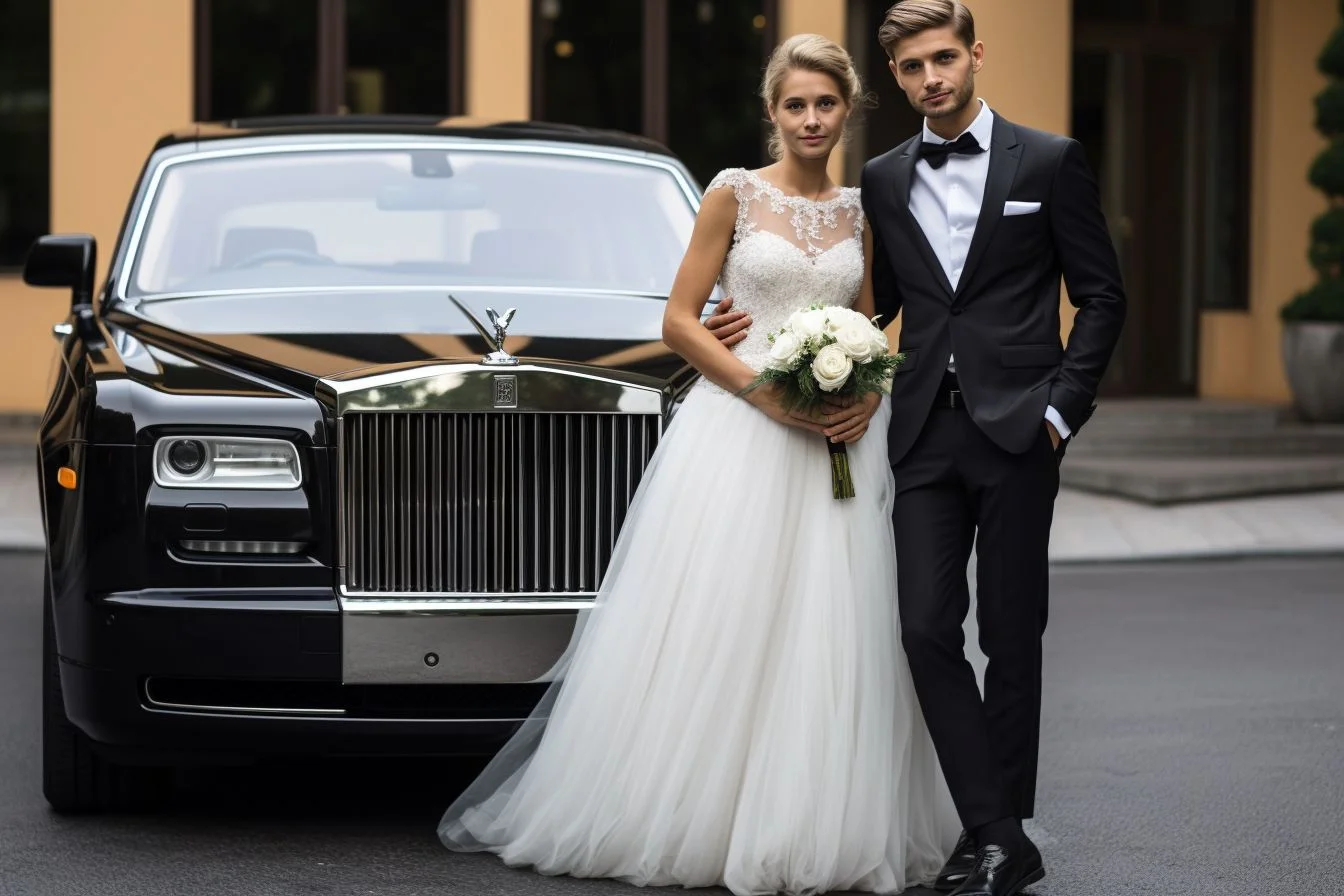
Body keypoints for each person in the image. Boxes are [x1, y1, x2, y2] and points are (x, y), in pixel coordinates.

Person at [437, 32, 969, 896]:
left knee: (838, 631)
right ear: (772, 112)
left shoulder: (862, 208)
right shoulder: (732, 193)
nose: (809, 118)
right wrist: (765, 393)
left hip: (839, 439)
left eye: (825, 104)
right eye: (794, 104)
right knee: (727, 623)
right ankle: (698, 814)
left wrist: (867, 391)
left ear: (848, 110)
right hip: (742, 433)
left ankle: (817, 817)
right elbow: (680, 320)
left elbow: (873, 322)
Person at [706, 3, 1127, 895]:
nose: (931, 77)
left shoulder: (1049, 161)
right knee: (925, 629)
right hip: (921, 436)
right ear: (894, 79)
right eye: (911, 67)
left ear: (975, 56)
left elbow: (1101, 295)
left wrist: (1062, 411)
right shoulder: (888, 181)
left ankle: (1001, 841)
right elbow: (868, 304)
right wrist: (747, 327)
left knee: (1013, 638)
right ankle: (996, 828)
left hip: (1021, 430)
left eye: (944, 58)